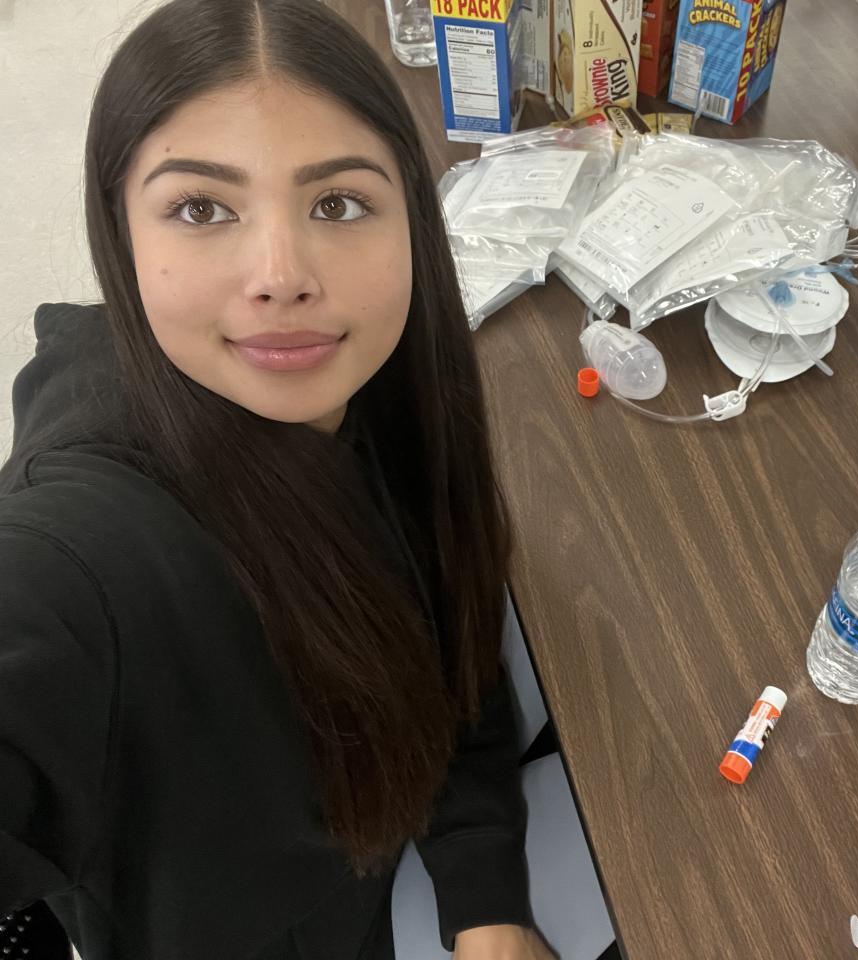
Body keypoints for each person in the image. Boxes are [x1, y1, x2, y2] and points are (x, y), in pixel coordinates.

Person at [0, 1, 557, 957]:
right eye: (201, 209)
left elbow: (443, 635)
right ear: (121, 236)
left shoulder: (384, 387)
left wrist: (485, 898)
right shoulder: (89, 558)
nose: (281, 275)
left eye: (337, 204)